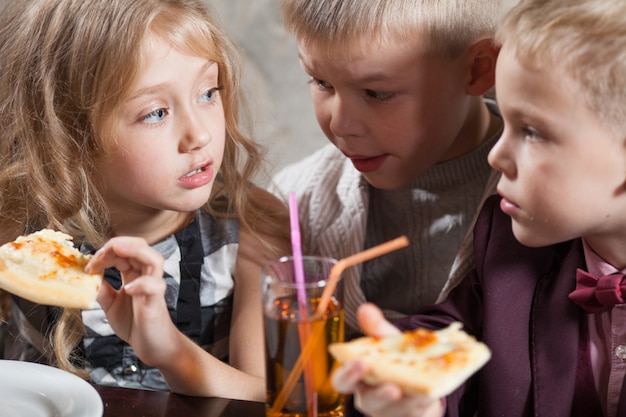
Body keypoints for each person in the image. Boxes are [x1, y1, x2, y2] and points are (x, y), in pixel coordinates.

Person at [332, 0, 626, 415]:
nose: (496, 155)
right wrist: (411, 390)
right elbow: (450, 339)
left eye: (533, 131)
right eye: (504, 122)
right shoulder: (507, 242)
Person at [0, 0, 289, 401]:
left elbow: (275, 397)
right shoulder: (18, 229)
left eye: (208, 92)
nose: (199, 135)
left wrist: (171, 351)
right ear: (67, 134)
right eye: (156, 113)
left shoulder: (256, 226)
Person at [272, 0, 503, 338]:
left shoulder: (553, 207)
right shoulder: (293, 204)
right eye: (322, 83)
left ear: (477, 70)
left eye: (376, 93)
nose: (340, 125)